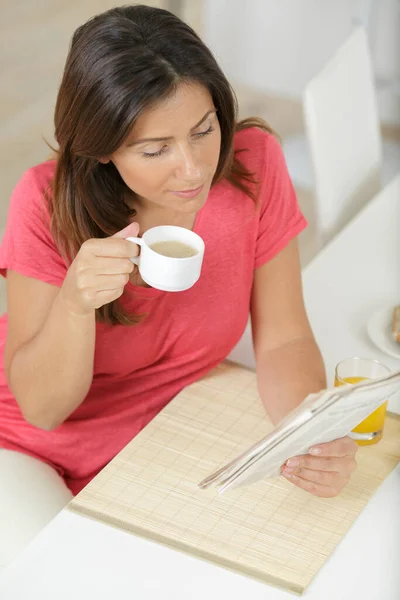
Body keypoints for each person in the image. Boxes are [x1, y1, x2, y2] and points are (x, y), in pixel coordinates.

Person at [0, 4, 357, 571]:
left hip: (168, 422)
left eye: (203, 130)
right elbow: (43, 410)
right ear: (100, 147)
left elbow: (285, 339)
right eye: (155, 149)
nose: (192, 169)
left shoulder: (253, 164)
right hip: (32, 445)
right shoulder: (43, 203)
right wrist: (74, 303)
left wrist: (305, 432)